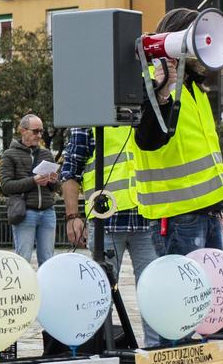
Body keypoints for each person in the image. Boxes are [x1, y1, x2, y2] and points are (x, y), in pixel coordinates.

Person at [133, 9, 223, 256]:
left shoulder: (195, 90)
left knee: (212, 291)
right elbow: (148, 140)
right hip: (176, 214)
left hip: (205, 211)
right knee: (187, 293)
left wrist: (214, 208)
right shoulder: (148, 82)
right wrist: (161, 92)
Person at [60, 124, 159, 348]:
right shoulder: (88, 122)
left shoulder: (146, 116)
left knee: (153, 290)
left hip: (148, 217)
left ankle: (155, 350)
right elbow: (70, 171)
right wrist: (72, 216)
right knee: (100, 293)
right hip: (106, 220)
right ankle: (102, 350)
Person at [1, 114, 60, 265]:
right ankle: (24, 289)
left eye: (41, 131)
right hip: (26, 212)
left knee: (48, 261)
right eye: (35, 131)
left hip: (48, 212)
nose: (39, 135)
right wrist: (33, 180)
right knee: (23, 260)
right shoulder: (9, 154)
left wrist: (53, 181)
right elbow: (6, 186)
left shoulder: (46, 154)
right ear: (22, 131)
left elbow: (56, 187)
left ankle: (45, 289)